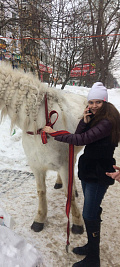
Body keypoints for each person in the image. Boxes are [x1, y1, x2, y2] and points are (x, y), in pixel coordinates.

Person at [43, 82, 120, 267]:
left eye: (98, 102)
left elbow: (81, 139)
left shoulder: (107, 122)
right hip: (89, 171)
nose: (93, 105)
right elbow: (80, 135)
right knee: (92, 212)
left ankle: (94, 259)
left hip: (99, 173)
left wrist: (54, 133)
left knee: (89, 214)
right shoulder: (95, 118)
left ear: (105, 101)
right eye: (91, 102)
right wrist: (84, 121)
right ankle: (91, 246)